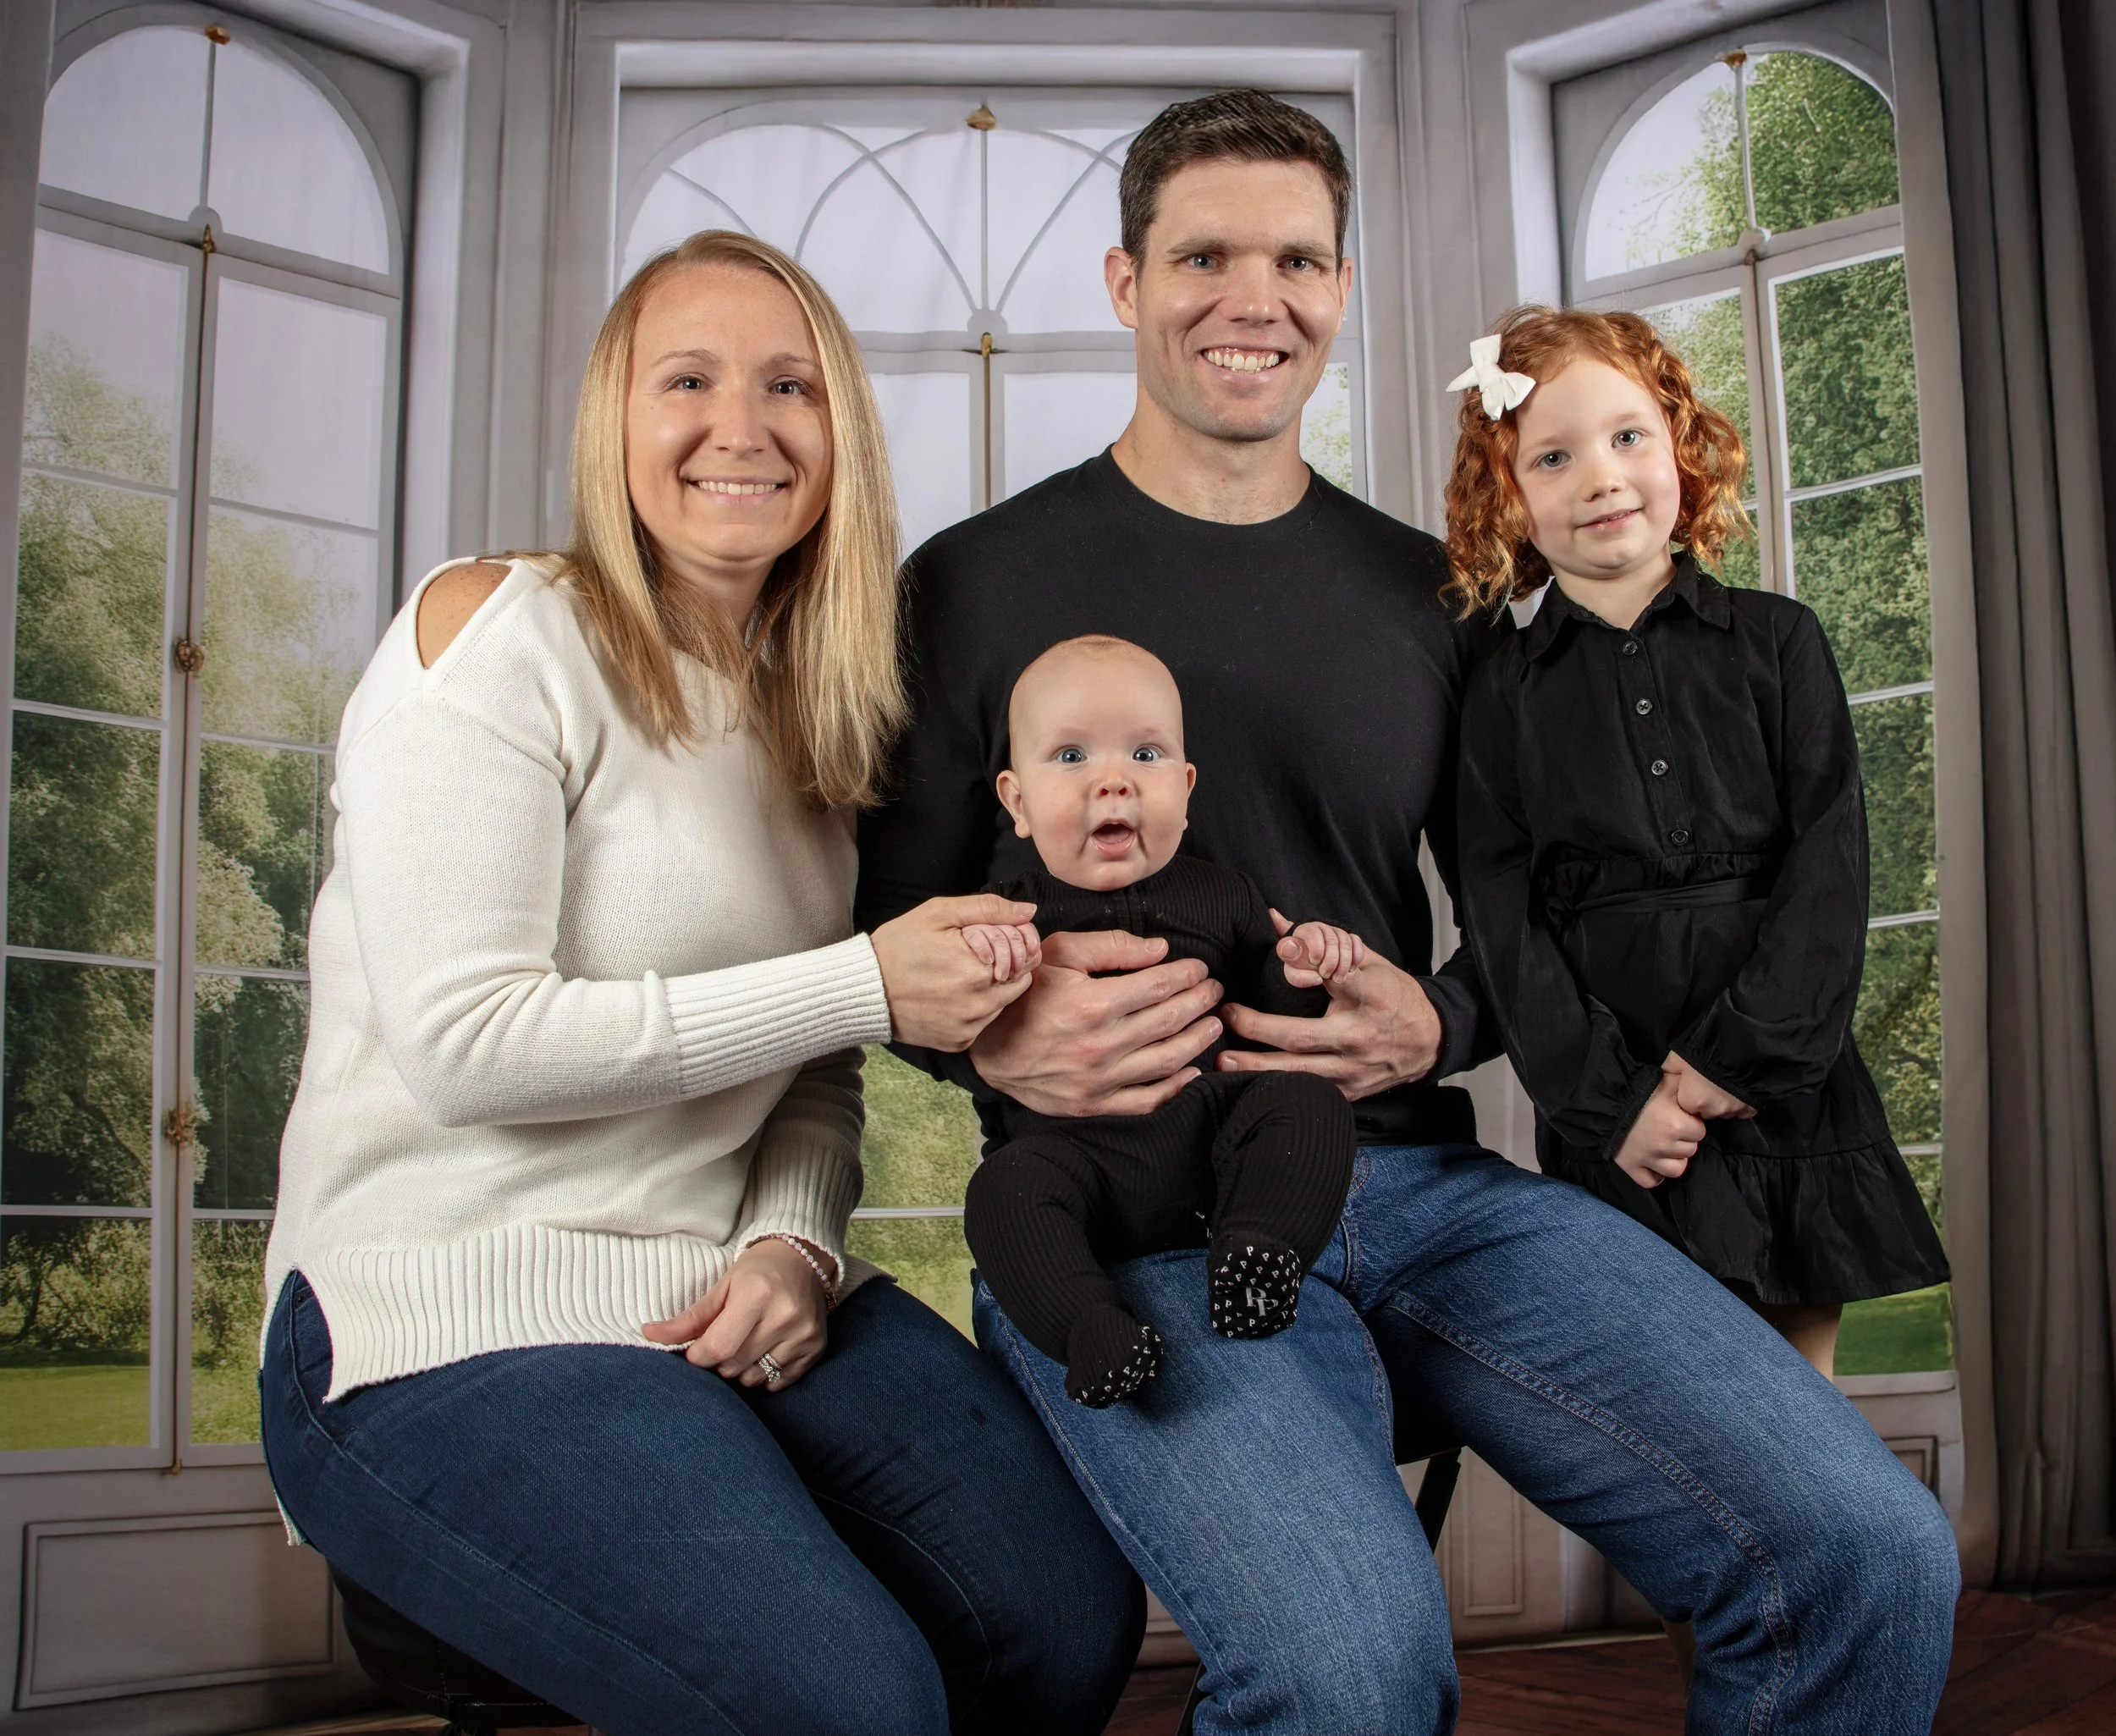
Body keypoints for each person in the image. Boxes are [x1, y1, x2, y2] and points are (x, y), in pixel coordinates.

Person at [857, 89, 1959, 1733]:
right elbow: (888, 924)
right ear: (1121, 280)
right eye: (1203, 254)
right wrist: (1006, 1031)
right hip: (1137, 1211)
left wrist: (1438, 1014)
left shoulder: (1434, 594)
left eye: (1297, 257)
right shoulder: (973, 579)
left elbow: (1538, 910)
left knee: (1865, 1546)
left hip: (1427, 1185)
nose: (1256, 297)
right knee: (1349, 1670)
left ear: (1343, 288)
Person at [258, 229, 1143, 1736]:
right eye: (689, 379)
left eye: (790, 385)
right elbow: (470, 1044)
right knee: (849, 1704)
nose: (742, 427)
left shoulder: (815, 723)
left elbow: (809, 1077)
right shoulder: (495, 629)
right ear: (616, 417)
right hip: (439, 1314)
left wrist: (794, 1249)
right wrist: (865, 981)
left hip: (714, 1290)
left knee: (1065, 1625)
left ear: (837, 436)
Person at [1446, 305, 1949, 1381]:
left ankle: (1833, 1552)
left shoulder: (1778, 641)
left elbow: (1829, 868)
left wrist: (1731, 1062)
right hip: (1614, 1098)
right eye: (1553, 455)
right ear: (1509, 495)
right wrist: (1614, 1102)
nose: (1601, 477)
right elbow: (1500, 916)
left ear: (1679, 443)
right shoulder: (1498, 690)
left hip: (1779, 1077)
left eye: (1628, 436)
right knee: (1672, 1411)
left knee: (1798, 1403)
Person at [959, 634, 1364, 1406]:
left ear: (1185, 786)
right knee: (1001, 1194)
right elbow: (953, 1010)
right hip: (1069, 1159)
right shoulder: (1006, 910)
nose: (1113, 782)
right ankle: (1091, 1327)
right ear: (1016, 801)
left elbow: (1274, 1016)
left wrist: (1307, 963)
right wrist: (982, 961)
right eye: (1071, 758)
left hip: (1208, 1143)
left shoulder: (1226, 894)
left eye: (1144, 757)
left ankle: (1261, 1248)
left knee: (1309, 1105)